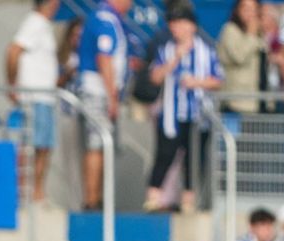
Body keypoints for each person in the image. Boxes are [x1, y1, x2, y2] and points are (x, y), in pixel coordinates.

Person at [144, 6, 222, 214]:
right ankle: (153, 198)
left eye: (180, 23)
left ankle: (189, 199)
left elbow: (218, 80)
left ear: (191, 26)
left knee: (194, 158)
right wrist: (174, 60)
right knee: (164, 154)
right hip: (171, 113)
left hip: (198, 114)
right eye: (173, 24)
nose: (176, 28)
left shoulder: (207, 51)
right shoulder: (166, 50)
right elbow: (154, 77)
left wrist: (197, 82)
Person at [6, 0, 62, 203]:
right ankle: (26, 193)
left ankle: (37, 193)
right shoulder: (34, 22)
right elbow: (13, 51)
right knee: (31, 146)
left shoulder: (43, 25)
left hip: (45, 98)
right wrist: (12, 83)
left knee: (44, 146)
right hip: (33, 97)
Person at [79, 0, 132, 209]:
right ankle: (92, 200)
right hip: (97, 92)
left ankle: (98, 198)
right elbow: (104, 59)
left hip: (101, 92)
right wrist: (112, 98)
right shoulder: (105, 20)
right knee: (96, 145)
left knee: (102, 146)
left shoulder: (108, 19)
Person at [217, 0, 267, 115]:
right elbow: (239, 56)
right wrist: (251, 33)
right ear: (237, 10)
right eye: (245, 9)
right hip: (237, 102)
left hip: (258, 99)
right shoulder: (230, 30)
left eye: (254, 10)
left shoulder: (258, 34)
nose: (250, 13)